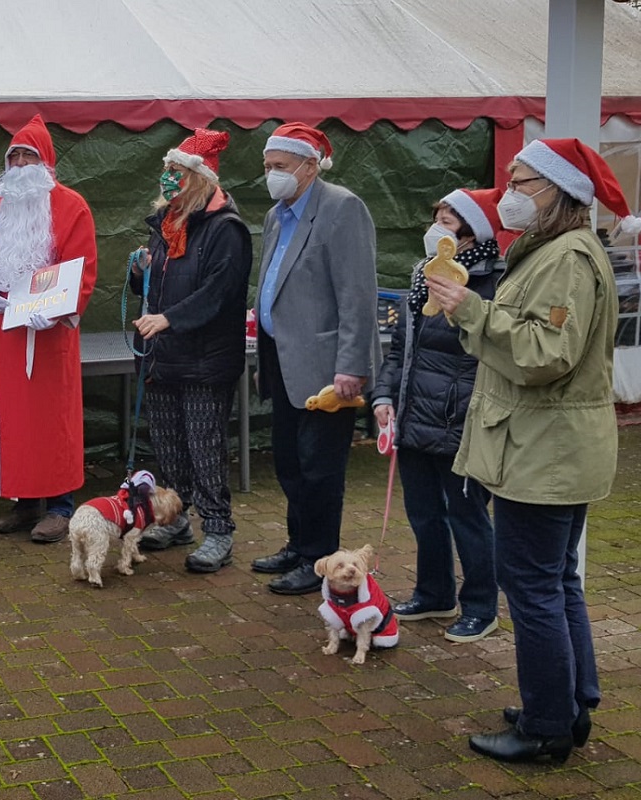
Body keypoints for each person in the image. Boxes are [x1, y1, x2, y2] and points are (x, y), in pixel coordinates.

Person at [428, 139, 637, 764]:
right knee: (554, 580)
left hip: (544, 451)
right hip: (550, 447)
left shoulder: (566, 257)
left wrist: (471, 309)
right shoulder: (556, 250)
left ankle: (547, 727)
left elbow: (546, 354)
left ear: (556, 190)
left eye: (520, 182)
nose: (509, 194)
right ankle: (568, 705)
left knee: (533, 586)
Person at [371, 188, 506, 643]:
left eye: (447, 221)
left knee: (468, 517)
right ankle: (433, 594)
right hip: (414, 417)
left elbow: (493, 353)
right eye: (437, 219)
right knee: (424, 514)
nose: (436, 229)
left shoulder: (492, 282)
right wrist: (384, 395)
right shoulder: (421, 275)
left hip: (460, 420)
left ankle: (481, 606)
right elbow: (401, 348)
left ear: (471, 232)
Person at [251, 122, 380, 595]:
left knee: (320, 468)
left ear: (310, 166)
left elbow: (357, 294)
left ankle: (318, 556)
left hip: (326, 366)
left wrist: (351, 365)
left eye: (280, 166)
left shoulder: (342, 208)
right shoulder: (276, 215)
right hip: (282, 358)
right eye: (268, 166)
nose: (272, 175)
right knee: (289, 461)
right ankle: (298, 543)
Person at [0, 114, 97, 544]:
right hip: (4, 340)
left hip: (46, 338)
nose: (19, 164)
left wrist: (53, 311)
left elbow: (81, 270)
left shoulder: (72, 207)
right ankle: (25, 501)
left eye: (27, 156)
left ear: (45, 162)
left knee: (51, 422)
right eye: (13, 156)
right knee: (14, 424)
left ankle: (60, 506)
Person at [127, 129, 253, 572]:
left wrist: (169, 318)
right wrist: (140, 272)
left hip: (205, 358)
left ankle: (218, 529)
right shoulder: (166, 224)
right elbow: (156, 286)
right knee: (168, 444)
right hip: (162, 356)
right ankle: (176, 520)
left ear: (199, 178)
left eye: (176, 170)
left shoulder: (226, 230)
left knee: (205, 448)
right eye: (166, 169)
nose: (167, 177)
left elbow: (219, 292)